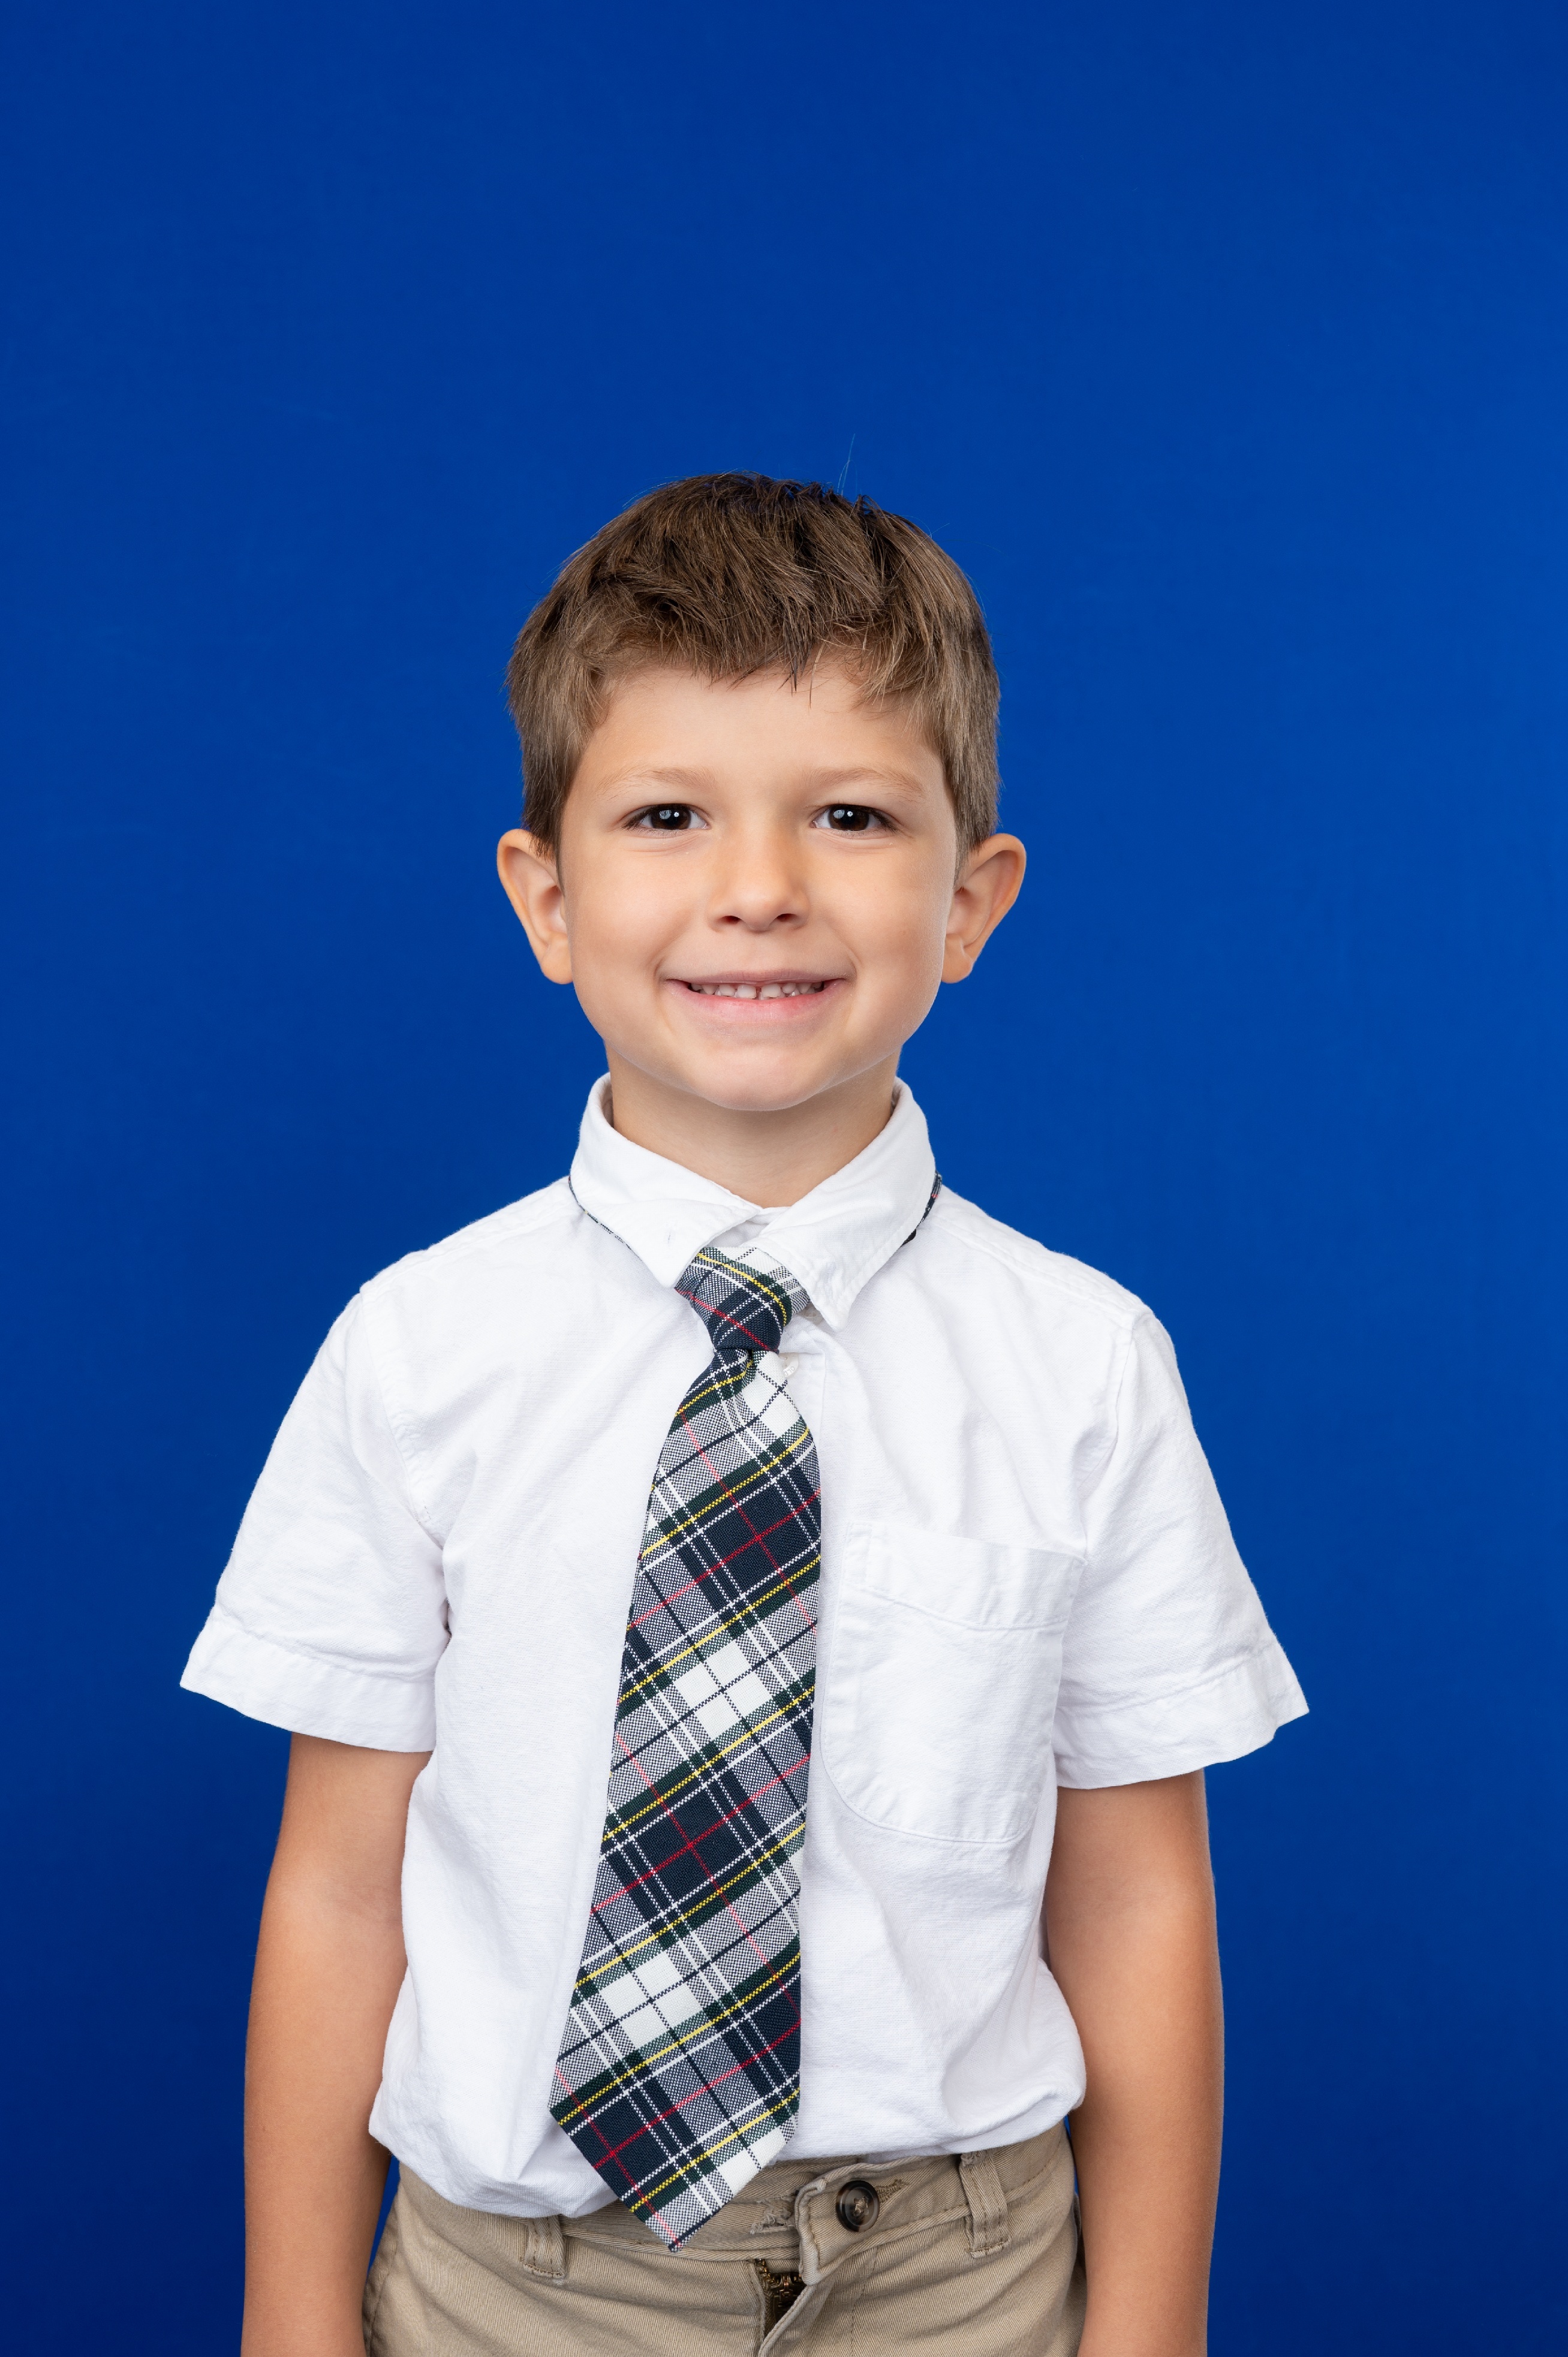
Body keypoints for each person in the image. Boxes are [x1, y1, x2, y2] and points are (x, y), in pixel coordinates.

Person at [183, 472, 1306, 2357]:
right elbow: (340, 1885)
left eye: (850, 815)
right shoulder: (417, 1348)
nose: (760, 884)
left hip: (961, 2277)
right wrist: (290, 2319)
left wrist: (1154, 2327)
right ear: (548, 899)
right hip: (518, 2289)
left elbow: (1133, 1895)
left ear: (970, 899)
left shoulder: (1085, 1362)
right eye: (667, 815)